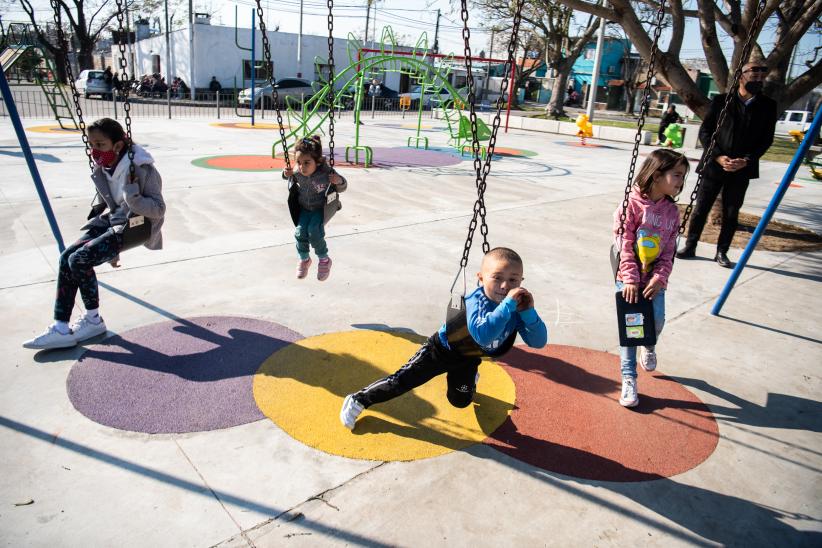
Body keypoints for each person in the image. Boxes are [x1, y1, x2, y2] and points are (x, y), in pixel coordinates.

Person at [340, 247, 548, 430]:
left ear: (521, 281)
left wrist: (528, 312)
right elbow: (484, 336)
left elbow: (538, 341)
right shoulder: (477, 301)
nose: (504, 286)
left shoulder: (516, 306)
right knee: (403, 381)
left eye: (513, 279)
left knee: (460, 401)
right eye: (497, 277)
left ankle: (469, 378)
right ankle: (359, 400)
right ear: (481, 278)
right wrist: (508, 306)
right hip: (440, 351)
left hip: (468, 357)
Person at [23, 118, 166, 350]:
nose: (95, 151)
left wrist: (133, 198)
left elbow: (159, 210)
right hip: (114, 222)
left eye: (100, 144)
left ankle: (93, 320)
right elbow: (108, 201)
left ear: (118, 145)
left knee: (79, 259)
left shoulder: (143, 168)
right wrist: (108, 246)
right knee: (66, 258)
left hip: (137, 226)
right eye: (92, 145)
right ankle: (60, 327)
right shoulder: (104, 166)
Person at [676, 58, 777, 268]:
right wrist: (718, 156)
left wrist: (746, 160)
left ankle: (722, 251)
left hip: (741, 169)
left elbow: (766, 139)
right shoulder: (722, 102)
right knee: (701, 207)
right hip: (715, 165)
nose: (758, 78)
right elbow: (706, 132)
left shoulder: (768, 106)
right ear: (741, 76)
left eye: (761, 76)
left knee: (732, 212)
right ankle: (691, 245)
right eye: (753, 74)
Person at [612, 149, 689, 407]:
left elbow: (669, 250)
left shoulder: (672, 212)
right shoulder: (631, 205)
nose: (681, 181)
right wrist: (631, 279)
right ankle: (628, 378)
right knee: (632, 330)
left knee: (656, 321)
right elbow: (624, 244)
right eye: (677, 175)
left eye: (683, 176)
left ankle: (650, 344)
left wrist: (661, 277)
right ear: (657, 175)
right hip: (630, 278)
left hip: (655, 279)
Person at [282, 135, 347, 281]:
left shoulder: (326, 173)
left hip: (320, 208)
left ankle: (324, 260)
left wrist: (339, 180)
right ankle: (304, 259)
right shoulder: (298, 171)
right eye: (299, 162)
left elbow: (343, 187)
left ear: (317, 162)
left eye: (306, 162)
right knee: (300, 233)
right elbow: (288, 174)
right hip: (304, 207)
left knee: (314, 231)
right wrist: (286, 174)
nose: (302, 166)